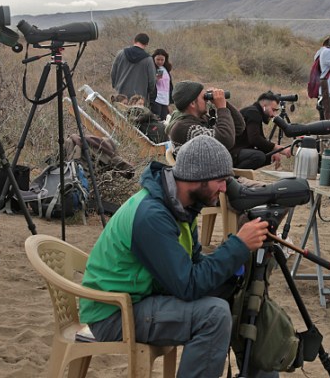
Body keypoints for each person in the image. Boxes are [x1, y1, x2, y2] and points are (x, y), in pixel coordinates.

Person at [79, 135, 273, 377]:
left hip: (142, 297)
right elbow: (188, 285)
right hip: (114, 312)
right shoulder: (152, 215)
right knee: (214, 316)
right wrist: (238, 246)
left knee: (236, 299)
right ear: (198, 178)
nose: (224, 189)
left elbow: (194, 265)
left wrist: (236, 267)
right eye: (221, 181)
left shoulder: (179, 206)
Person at [165, 81, 245, 152]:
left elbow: (238, 127)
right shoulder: (183, 128)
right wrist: (221, 108)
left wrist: (225, 104)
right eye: (204, 97)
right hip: (194, 168)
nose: (207, 100)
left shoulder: (202, 119)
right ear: (192, 103)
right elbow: (226, 140)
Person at [231, 92, 292, 170]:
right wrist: (279, 148)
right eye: (273, 110)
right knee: (259, 156)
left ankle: (239, 175)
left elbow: (260, 138)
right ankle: (234, 175)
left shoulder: (254, 112)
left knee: (269, 155)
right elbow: (255, 139)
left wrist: (274, 151)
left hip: (237, 151)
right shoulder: (253, 112)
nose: (274, 114)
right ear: (264, 106)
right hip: (232, 152)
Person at [110, 32, 157, 103]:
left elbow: (113, 72)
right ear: (146, 44)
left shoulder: (121, 54)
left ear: (134, 41)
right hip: (139, 99)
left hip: (121, 96)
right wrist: (149, 92)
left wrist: (115, 86)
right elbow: (152, 80)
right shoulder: (148, 59)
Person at [151, 48, 173, 120]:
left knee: (164, 120)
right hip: (156, 99)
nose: (160, 62)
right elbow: (153, 82)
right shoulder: (152, 68)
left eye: (162, 60)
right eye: (158, 59)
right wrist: (155, 78)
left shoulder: (165, 69)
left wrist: (169, 102)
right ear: (154, 58)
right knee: (156, 119)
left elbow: (169, 86)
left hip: (165, 99)